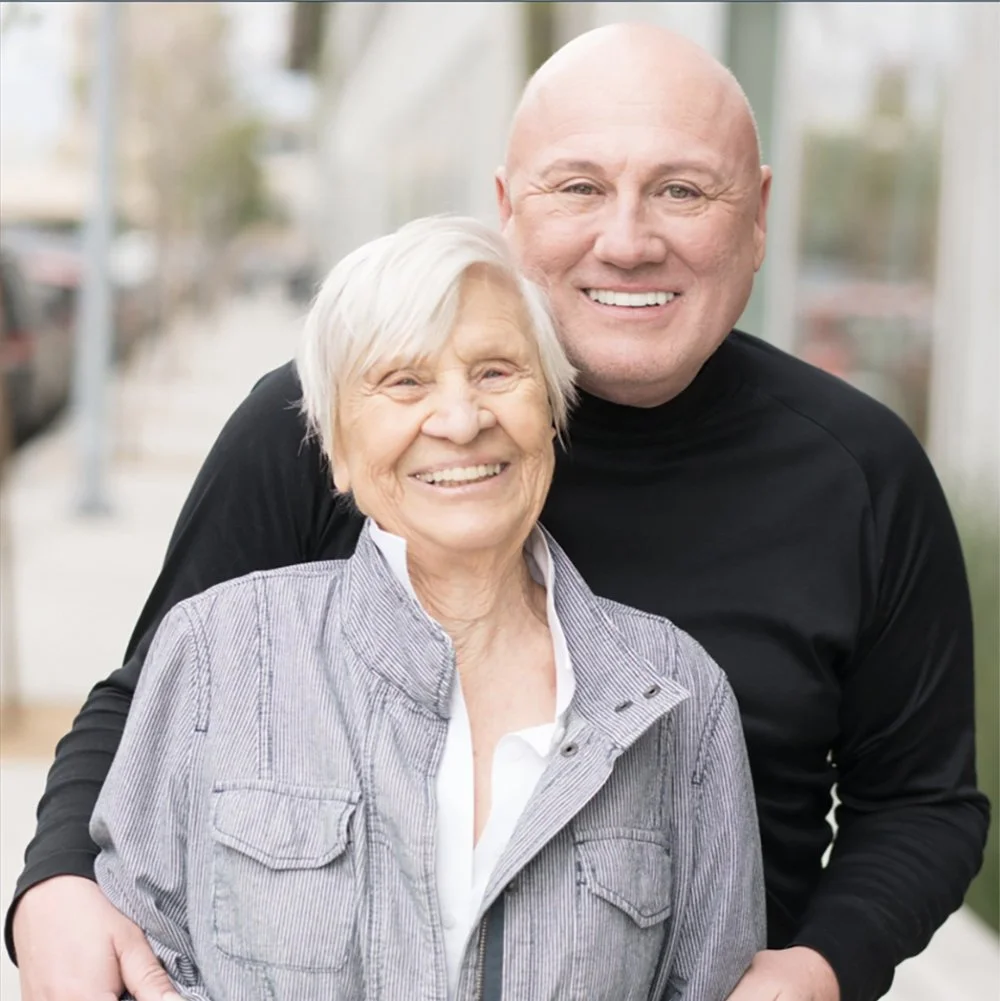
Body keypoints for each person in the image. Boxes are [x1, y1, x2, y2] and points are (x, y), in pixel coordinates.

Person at [9, 23, 988, 1001]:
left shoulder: (862, 474)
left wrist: (820, 966)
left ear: (760, 214)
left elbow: (921, 802)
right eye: (579, 188)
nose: (628, 241)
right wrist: (54, 887)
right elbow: (161, 696)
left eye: (683, 190)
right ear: (508, 209)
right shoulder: (332, 426)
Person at [87, 215, 765, 1001]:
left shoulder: (675, 693)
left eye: (496, 372)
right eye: (404, 381)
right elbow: (142, 958)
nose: (461, 420)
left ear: (551, 413)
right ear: (338, 449)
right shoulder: (216, 652)